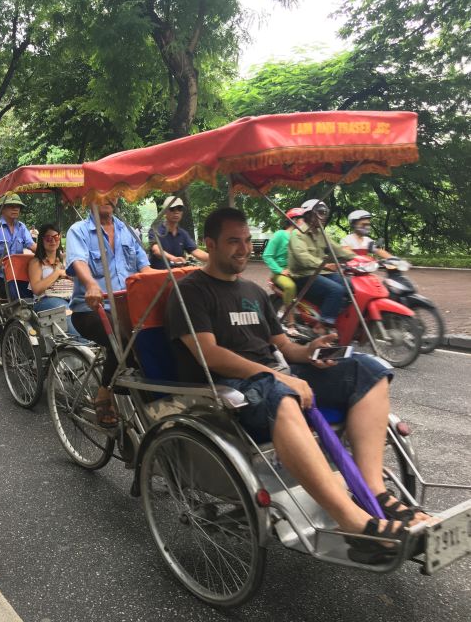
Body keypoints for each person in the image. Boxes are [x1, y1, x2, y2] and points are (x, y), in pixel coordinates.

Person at [166, 207, 429, 564]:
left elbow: (285, 348)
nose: (243, 249)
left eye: (246, 241)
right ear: (210, 245)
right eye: (233, 242)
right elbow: (209, 355)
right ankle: (352, 522)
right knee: (284, 394)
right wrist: (280, 376)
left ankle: (374, 493)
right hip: (229, 392)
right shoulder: (190, 292)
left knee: (368, 369)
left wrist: (311, 350)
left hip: (275, 376)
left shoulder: (253, 292)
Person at [66, 198, 153, 427]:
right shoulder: (79, 230)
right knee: (124, 337)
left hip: (127, 309)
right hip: (91, 309)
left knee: (154, 337)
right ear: (87, 198)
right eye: (100, 192)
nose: (106, 197)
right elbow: (78, 261)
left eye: (112, 192)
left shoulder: (128, 231)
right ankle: (104, 393)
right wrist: (91, 284)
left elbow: (144, 268)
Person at [288, 199, 355, 330]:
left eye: (325, 213)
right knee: (336, 290)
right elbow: (303, 258)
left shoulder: (321, 234)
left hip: (320, 274)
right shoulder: (298, 234)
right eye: (320, 212)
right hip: (302, 275)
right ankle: (321, 326)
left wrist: (358, 258)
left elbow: (338, 249)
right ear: (309, 214)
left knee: (350, 285)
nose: (324, 216)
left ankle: (333, 313)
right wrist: (324, 265)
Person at [0, 194, 36, 299]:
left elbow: (31, 244)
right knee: (14, 293)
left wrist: (49, 253)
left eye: (18, 206)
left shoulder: (21, 227)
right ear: (2, 209)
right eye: (11, 206)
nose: (15, 208)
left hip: (18, 273)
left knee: (34, 289)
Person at [28, 224, 79, 335]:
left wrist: (70, 276)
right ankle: (83, 346)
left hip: (71, 296)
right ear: (42, 240)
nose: (53, 241)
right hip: (47, 299)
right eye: (48, 238)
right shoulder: (36, 262)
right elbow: (36, 289)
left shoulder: (65, 260)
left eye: (56, 237)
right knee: (68, 314)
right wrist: (57, 273)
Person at [263, 207, 305, 330]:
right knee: (290, 287)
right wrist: (280, 271)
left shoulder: (302, 237)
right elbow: (267, 255)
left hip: (296, 272)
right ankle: (290, 321)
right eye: (304, 220)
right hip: (280, 273)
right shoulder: (280, 234)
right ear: (295, 220)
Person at [148, 196, 208, 268]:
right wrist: (173, 258)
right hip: (159, 275)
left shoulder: (183, 234)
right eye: (172, 209)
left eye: (179, 209)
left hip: (178, 275)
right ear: (165, 212)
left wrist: (216, 259)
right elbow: (156, 250)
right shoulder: (155, 230)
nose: (176, 212)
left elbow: (195, 251)